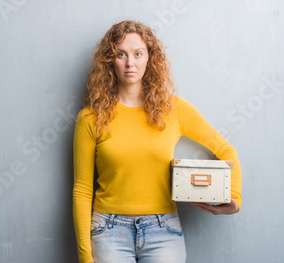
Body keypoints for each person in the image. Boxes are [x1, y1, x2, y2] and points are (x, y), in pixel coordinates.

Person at [72, 20, 242, 263]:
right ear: (110, 60)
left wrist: (234, 197)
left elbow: (226, 149)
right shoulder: (90, 119)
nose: (130, 63)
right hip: (108, 230)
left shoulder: (174, 109)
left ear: (149, 58)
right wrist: (85, 257)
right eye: (121, 54)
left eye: (138, 54)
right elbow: (82, 190)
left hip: (163, 231)